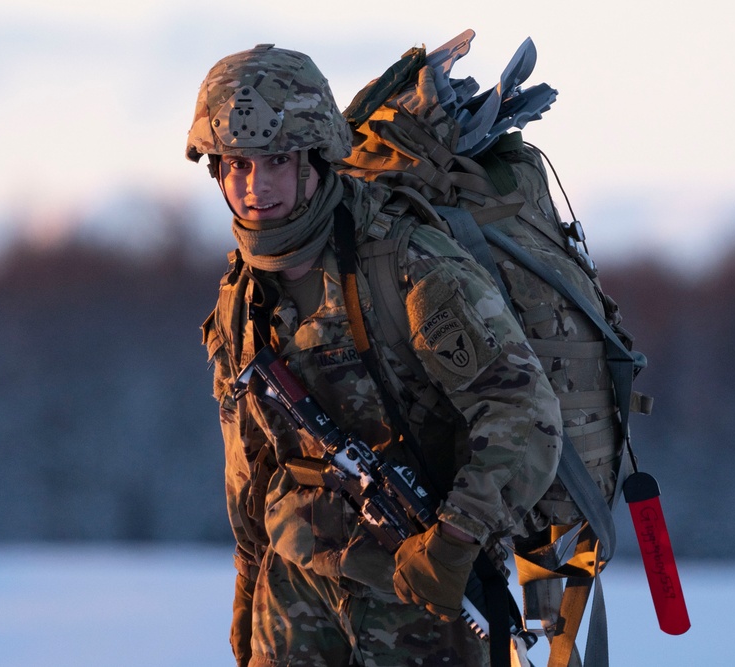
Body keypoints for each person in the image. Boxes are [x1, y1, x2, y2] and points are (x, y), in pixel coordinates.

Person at [189, 43, 563, 667]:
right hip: (295, 579)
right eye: (236, 164)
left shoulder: (406, 263)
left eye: (276, 160)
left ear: (316, 157)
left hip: (419, 581)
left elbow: (523, 414)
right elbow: (249, 464)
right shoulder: (244, 291)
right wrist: (248, 589)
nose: (255, 187)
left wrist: (455, 541)